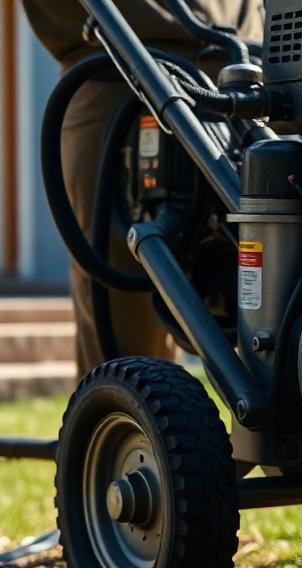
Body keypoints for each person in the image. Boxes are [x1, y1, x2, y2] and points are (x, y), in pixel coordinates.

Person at [22, 0, 264, 373]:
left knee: (275, 294)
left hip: (242, 77)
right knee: (122, 323)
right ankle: (128, 426)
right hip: (115, 68)